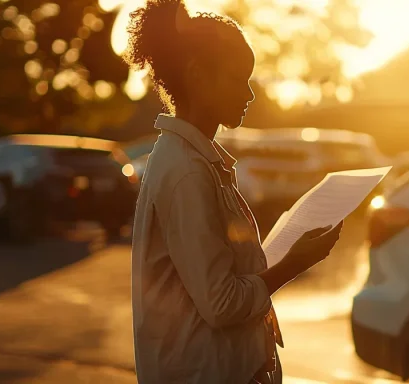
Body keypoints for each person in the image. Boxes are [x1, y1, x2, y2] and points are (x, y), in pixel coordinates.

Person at [124, 1, 343, 383]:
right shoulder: (187, 170)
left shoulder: (193, 159)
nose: (250, 94)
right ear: (197, 75)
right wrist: (294, 264)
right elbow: (222, 304)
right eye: (239, 78)